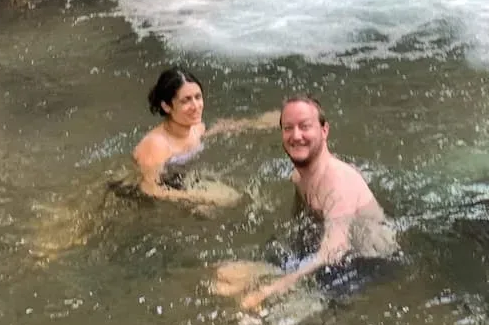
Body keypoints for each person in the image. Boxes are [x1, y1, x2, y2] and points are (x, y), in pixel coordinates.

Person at [215, 96, 399, 309]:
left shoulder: (338, 182)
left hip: (364, 265)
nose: (296, 136)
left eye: (305, 126)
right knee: (225, 275)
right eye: (288, 128)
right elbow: (300, 227)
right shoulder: (299, 177)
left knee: (259, 310)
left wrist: (273, 287)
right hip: (325, 255)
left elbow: (335, 252)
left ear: (324, 130)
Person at [131, 67, 278, 207]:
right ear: (166, 106)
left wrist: (260, 123)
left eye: (198, 97)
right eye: (186, 100)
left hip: (179, 179)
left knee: (236, 197)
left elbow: (221, 128)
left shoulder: (196, 128)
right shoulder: (157, 145)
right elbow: (149, 189)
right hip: (139, 198)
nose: (196, 106)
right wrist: (202, 198)